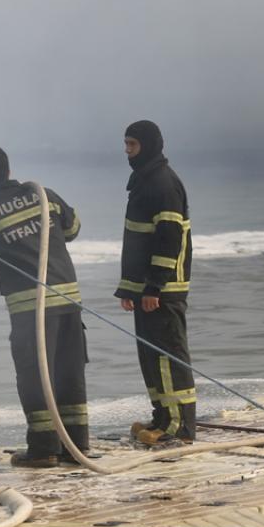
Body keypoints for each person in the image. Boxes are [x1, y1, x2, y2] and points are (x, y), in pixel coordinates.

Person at [0, 147, 90, 468]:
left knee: (34, 376)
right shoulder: (44, 196)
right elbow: (73, 229)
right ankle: (76, 445)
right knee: (69, 372)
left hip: (31, 310)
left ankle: (43, 449)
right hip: (69, 301)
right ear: (9, 171)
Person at [115, 120, 196, 446]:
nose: (127, 151)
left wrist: (154, 287)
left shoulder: (163, 184)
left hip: (163, 289)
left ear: (148, 146)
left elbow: (168, 239)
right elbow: (137, 243)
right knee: (150, 357)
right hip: (145, 289)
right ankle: (162, 417)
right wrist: (128, 288)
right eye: (126, 144)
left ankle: (179, 427)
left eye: (132, 145)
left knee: (167, 357)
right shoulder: (144, 180)